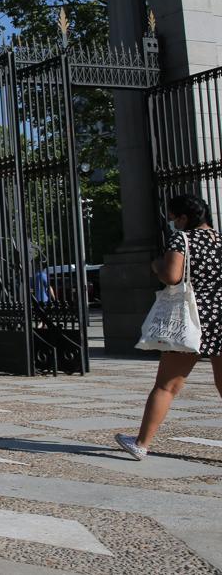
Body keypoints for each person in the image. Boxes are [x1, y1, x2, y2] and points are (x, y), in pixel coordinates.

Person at [116, 195, 222, 460]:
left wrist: (156, 265)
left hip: (193, 319)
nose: (172, 223)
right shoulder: (219, 239)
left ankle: (141, 443)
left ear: (184, 218)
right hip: (221, 315)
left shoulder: (182, 240)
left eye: (174, 218)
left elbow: (172, 276)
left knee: (166, 386)